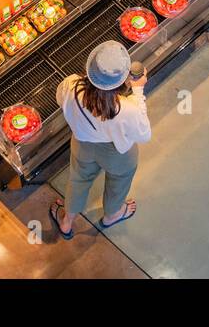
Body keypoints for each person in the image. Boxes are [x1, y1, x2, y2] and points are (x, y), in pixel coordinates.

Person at [50, 41, 150, 238]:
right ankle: (112, 215)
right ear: (124, 80)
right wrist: (138, 91)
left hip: (83, 145)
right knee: (118, 182)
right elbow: (144, 134)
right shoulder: (127, 108)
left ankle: (67, 221)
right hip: (117, 153)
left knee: (79, 179)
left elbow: (60, 100)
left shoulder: (71, 84)